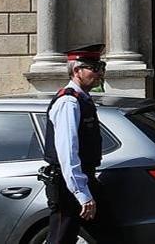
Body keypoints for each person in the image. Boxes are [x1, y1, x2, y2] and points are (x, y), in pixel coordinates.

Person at [41, 43, 107, 244]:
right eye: (94, 69)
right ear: (77, 70)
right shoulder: (68, 103)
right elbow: (68, 152)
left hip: (83, 179)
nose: (99, 73)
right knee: (61, 238)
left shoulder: (82, 99)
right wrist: (81, 192)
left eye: (101, 68)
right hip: (68, 185)